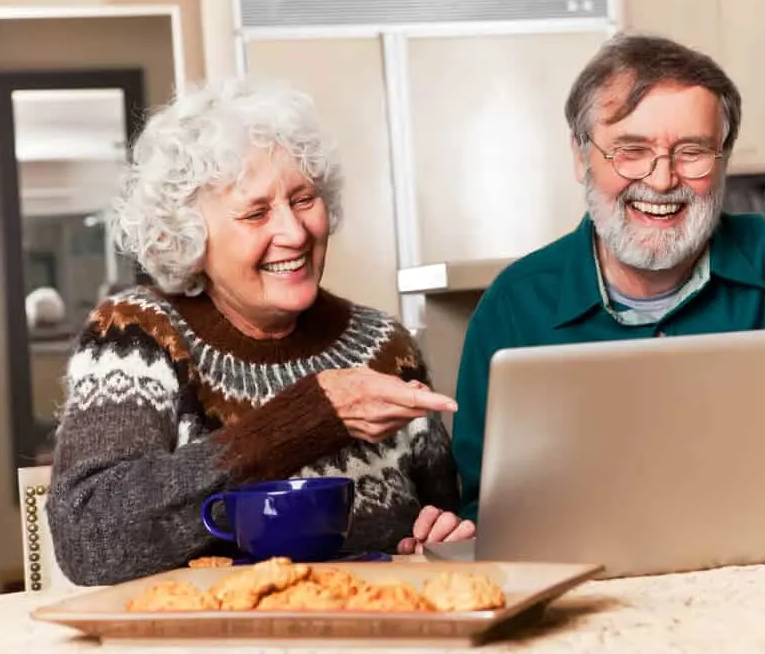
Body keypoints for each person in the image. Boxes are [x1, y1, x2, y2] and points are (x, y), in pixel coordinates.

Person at [451, 33, 765, 523]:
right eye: (631, 150)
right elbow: (488, 509)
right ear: (580, 156)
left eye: (692, 151)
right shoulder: (511, 309)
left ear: (723, 160)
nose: (661, 179)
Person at [46, 78, 474, 585]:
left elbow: (443, 514)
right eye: (255, 213)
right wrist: (311, 416)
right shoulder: (136, 335)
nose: (294, 233)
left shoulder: (385, 344)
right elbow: (88, 538)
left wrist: (445, 534)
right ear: (186, 235)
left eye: (303, 199)